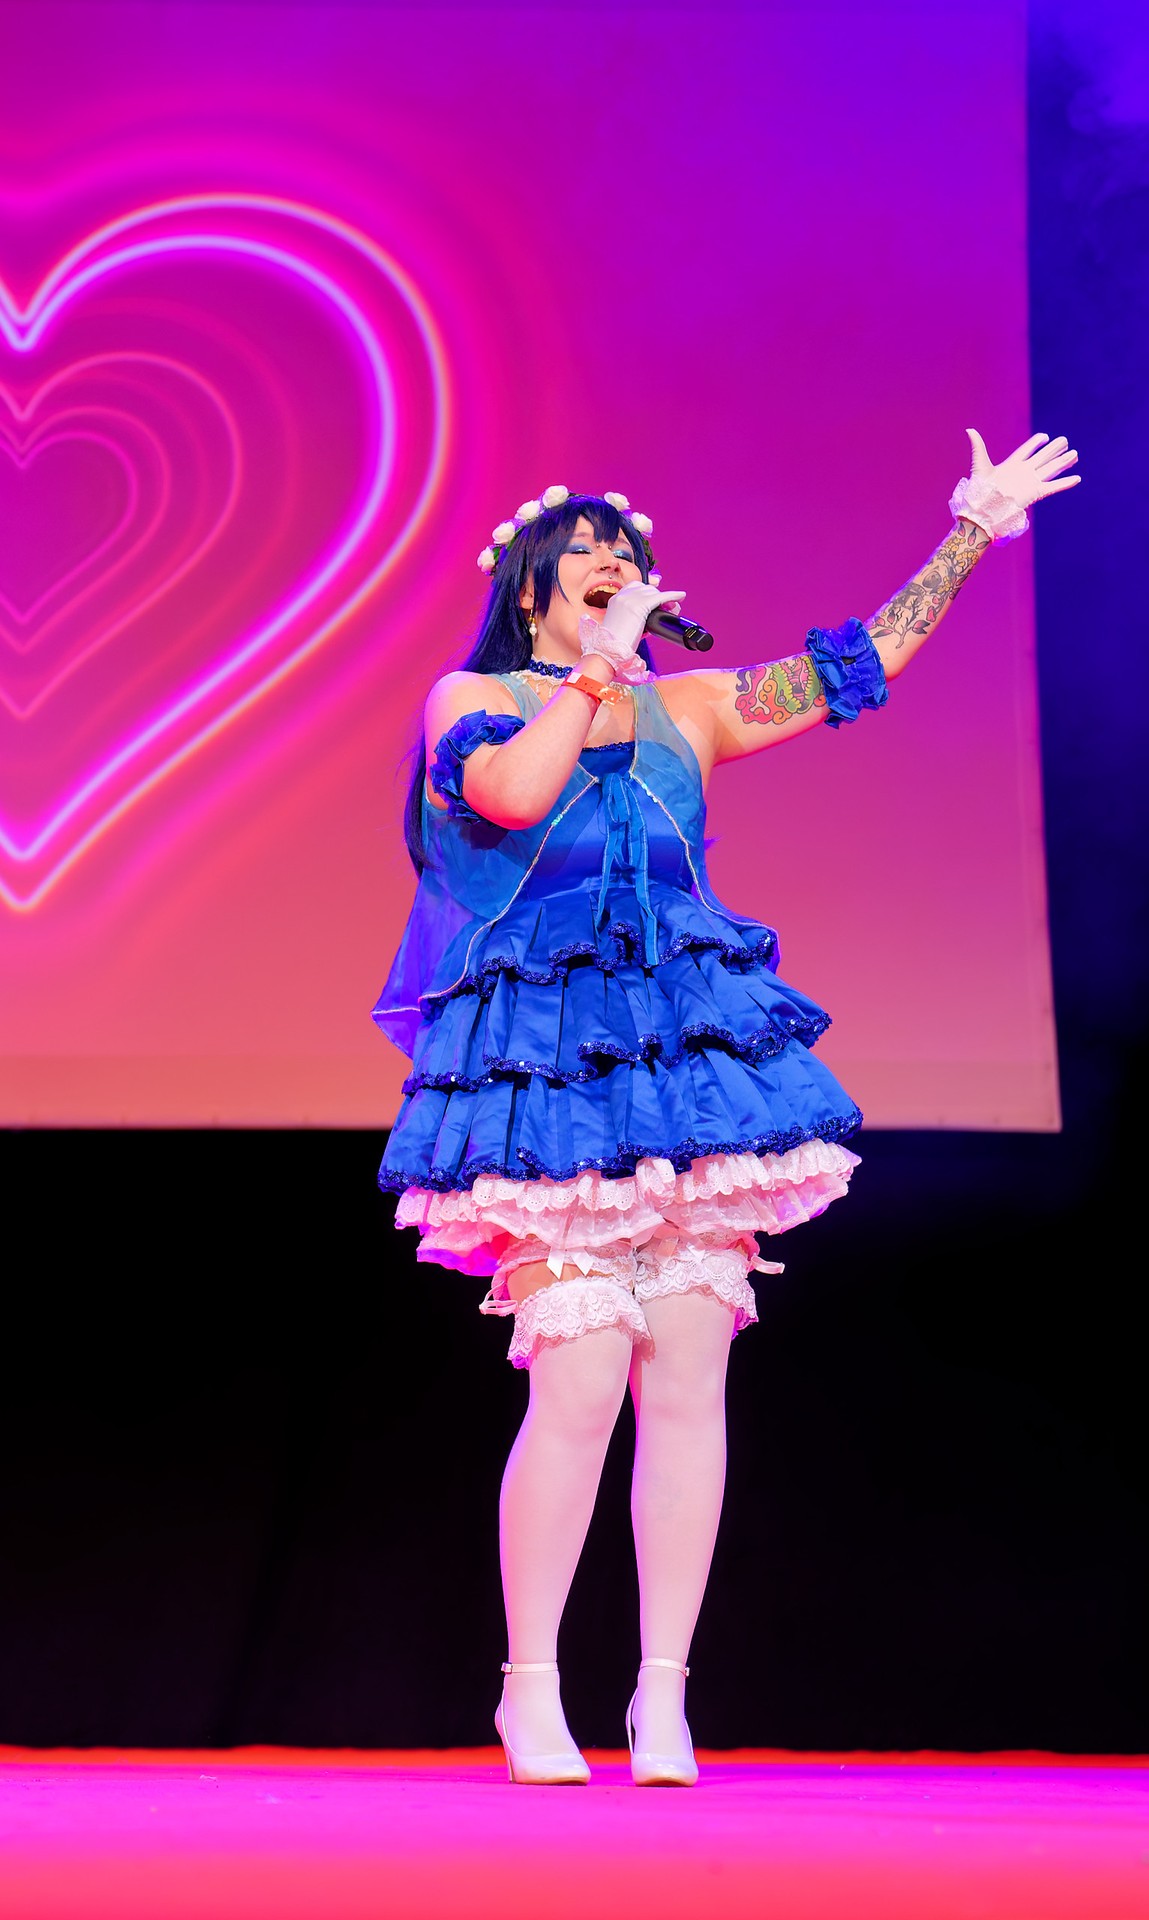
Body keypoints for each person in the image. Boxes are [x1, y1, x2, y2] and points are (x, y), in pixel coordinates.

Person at [373, 431, 1079, 1786]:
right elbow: (511, 794)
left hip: (684, 1058)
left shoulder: (691, 707)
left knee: (689, 1370)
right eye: (588, 560)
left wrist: (971, 532)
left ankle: (661, 1695)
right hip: (548, 1069)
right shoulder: (475, 695)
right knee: (581, 1374)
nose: (615, 571)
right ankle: (532, 1689)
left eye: (627, 559)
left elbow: (856, 665)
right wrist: (596, 673)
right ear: (532, 590)